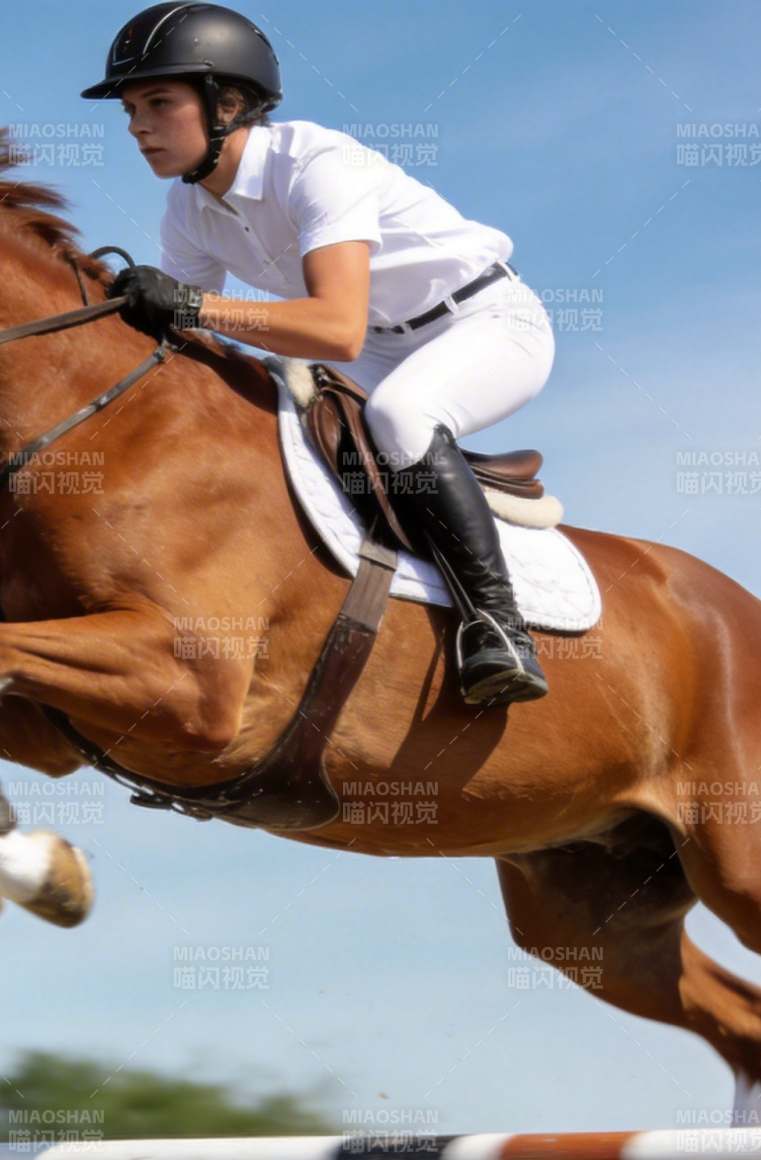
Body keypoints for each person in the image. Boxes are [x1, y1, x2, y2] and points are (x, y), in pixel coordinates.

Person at [82, 3, 555, 705]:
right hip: (378, 345)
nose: (138, 127)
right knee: (268, 420)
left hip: (483, 323)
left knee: (400, 415)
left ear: (229, 104)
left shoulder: (315, 163)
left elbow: (336, 330)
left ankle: (499, 626)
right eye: (128, 109)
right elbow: (190, 345)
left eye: (157, 102)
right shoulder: (187, 211)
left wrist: (184, 304)